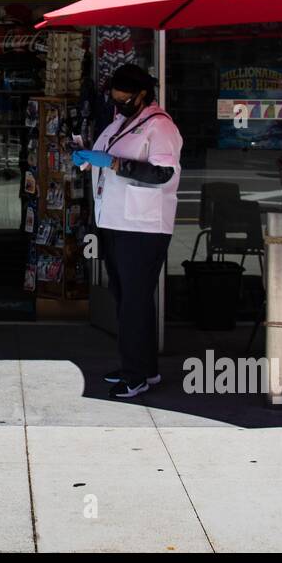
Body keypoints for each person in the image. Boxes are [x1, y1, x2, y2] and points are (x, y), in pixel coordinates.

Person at [72, 63, 183, 400]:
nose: (118, 105)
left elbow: (163, 173)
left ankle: (134, 375)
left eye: (124, 100)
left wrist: (115, 164)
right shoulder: (121, 122)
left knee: (134, 302)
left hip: (143, 226)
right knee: (126, 301)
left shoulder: (160, 127)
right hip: (115, 221)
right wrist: (89, 157)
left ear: (143, 95)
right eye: (115, 100)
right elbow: (108, 154)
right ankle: (143, 368)